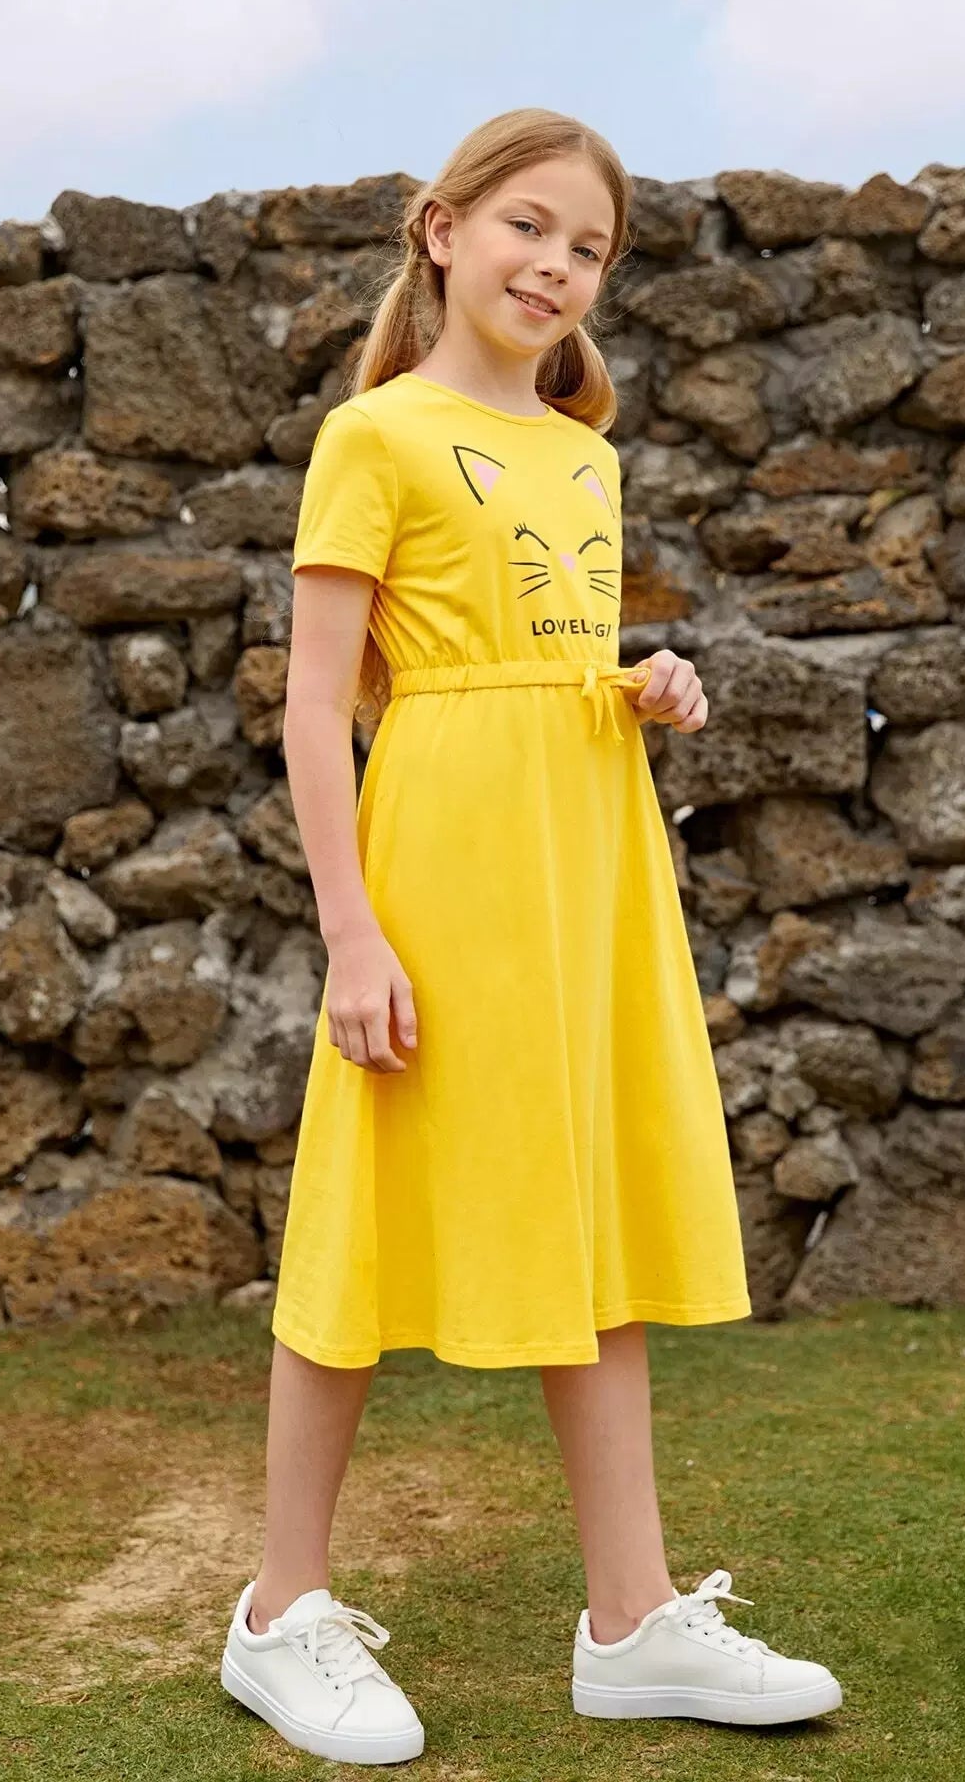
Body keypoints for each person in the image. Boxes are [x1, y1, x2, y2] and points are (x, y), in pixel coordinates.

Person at [220, 106, 843, 1765]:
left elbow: (545, 655)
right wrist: (353, 932)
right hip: (439, 871)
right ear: (442, 231)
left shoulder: (589, 455)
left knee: (596, 1213)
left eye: (590, 248)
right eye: (528, 226)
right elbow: (316, 703)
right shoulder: (374, 436)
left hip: (589, 861)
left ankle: (633, 1621)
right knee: (361, 1223)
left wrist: (643, 682)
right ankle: (280, 1609)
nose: (557, 265)